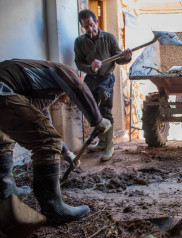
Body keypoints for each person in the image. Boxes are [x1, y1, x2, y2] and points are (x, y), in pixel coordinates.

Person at [0, 59, 111, 224]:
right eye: (67, 98)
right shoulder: (64, 70)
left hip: (5, 90)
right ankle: (53, 209)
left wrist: (67, 153)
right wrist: (97, 119)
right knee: (48, 143)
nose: (66, 100)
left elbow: (44, 122)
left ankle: (6, 191)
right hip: (3, 91)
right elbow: (78, 87)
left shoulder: (39, 90)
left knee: (4, 141)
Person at [74, 9, 132, 162]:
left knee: (105, 109)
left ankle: (109, 146)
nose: (90, 29)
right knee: (89, 108)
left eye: (92, 25)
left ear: (96, 22)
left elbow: (119, 58)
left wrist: (126, 58)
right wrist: (90, 68)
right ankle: (101, 142)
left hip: (106, 78)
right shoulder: (79, 42)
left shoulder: (109, 38)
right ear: (82, 27)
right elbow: (79, 62)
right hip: (90, 78)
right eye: (86, 27)